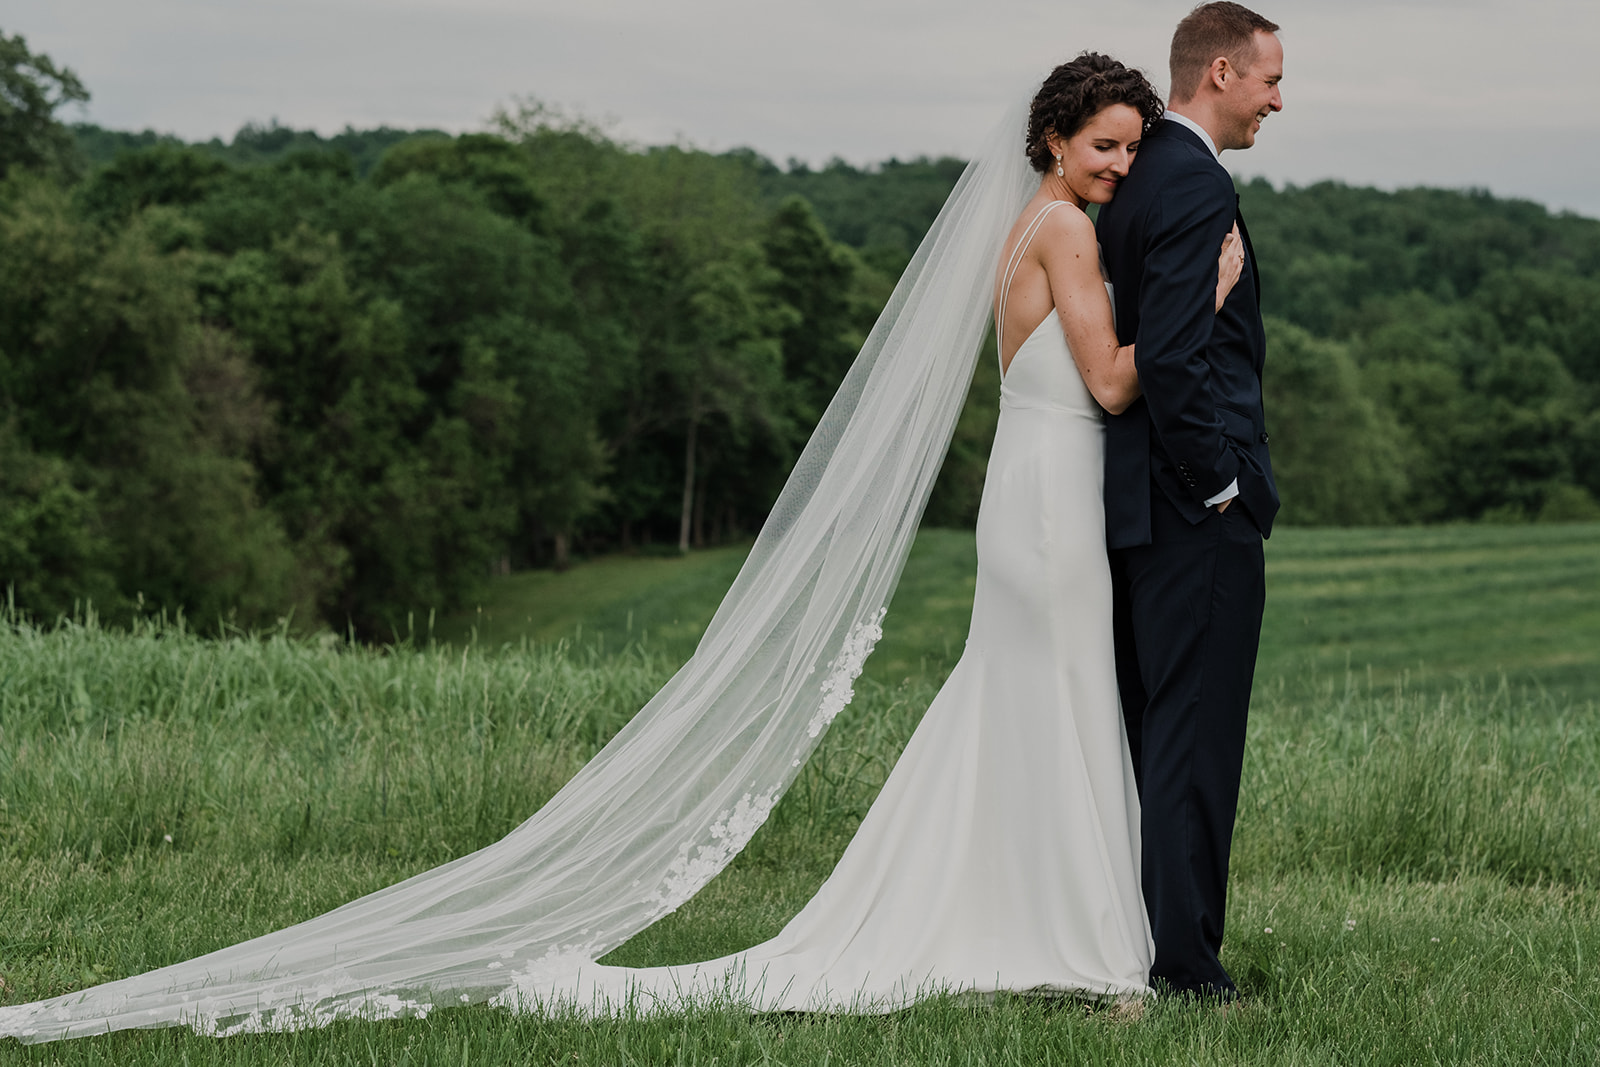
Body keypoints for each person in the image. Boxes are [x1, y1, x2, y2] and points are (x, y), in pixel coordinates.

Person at [0, 57, 1244, 1045]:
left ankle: (1047, 918)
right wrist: (1208, 285)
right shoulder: (1069, 235)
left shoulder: (1025, 224)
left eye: (1133, 147)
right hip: (1049, 496)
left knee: (1031, 694)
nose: (1121, 166)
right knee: (1060, 688)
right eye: (1104, 146)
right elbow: (1114, 380)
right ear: (1050, 144)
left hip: (1033, 488)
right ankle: (1080, 937)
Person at [1095, 1, 1284, 1002]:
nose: (1277, 101)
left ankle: (1155, 940)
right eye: (1268, 80)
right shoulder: (1193, 183)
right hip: (1191, 510)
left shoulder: (1128, 185)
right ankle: (1187, 965)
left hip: (1135, 506)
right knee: (1193, 733)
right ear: (1218, 72)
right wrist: (1221, 485)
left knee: (1155, 724)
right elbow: (1171, 357)